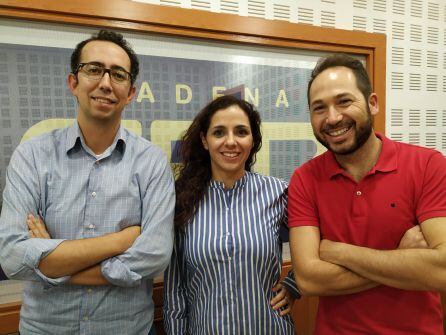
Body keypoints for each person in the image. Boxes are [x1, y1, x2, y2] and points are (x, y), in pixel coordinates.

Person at [0, 30, 175, 334]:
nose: (106, 83)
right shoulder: (32, 156)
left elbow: (155, 256)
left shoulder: (152, 162)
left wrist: (51, 262)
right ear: (73, 82)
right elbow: (14, 258)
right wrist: (120, 241)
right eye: (94, 70)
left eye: (118, 75)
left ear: (131, 92)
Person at [288, 53, 446, 334]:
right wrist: (401, 258)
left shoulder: (428, 165)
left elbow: (441, 271)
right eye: (319, 108)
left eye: (344, 101)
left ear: (372, 103)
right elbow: (309, 280)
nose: (333, 118)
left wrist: (340, 252)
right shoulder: (304, 179)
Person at [163, 95, 299, 335]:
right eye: (218, 132)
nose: (230, 141)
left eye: (241, 132)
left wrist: (294, 284)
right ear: (205, 140)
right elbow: (176, 289)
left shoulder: (278, 193)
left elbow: (320, 242)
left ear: (253, 140)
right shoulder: (183, 200)